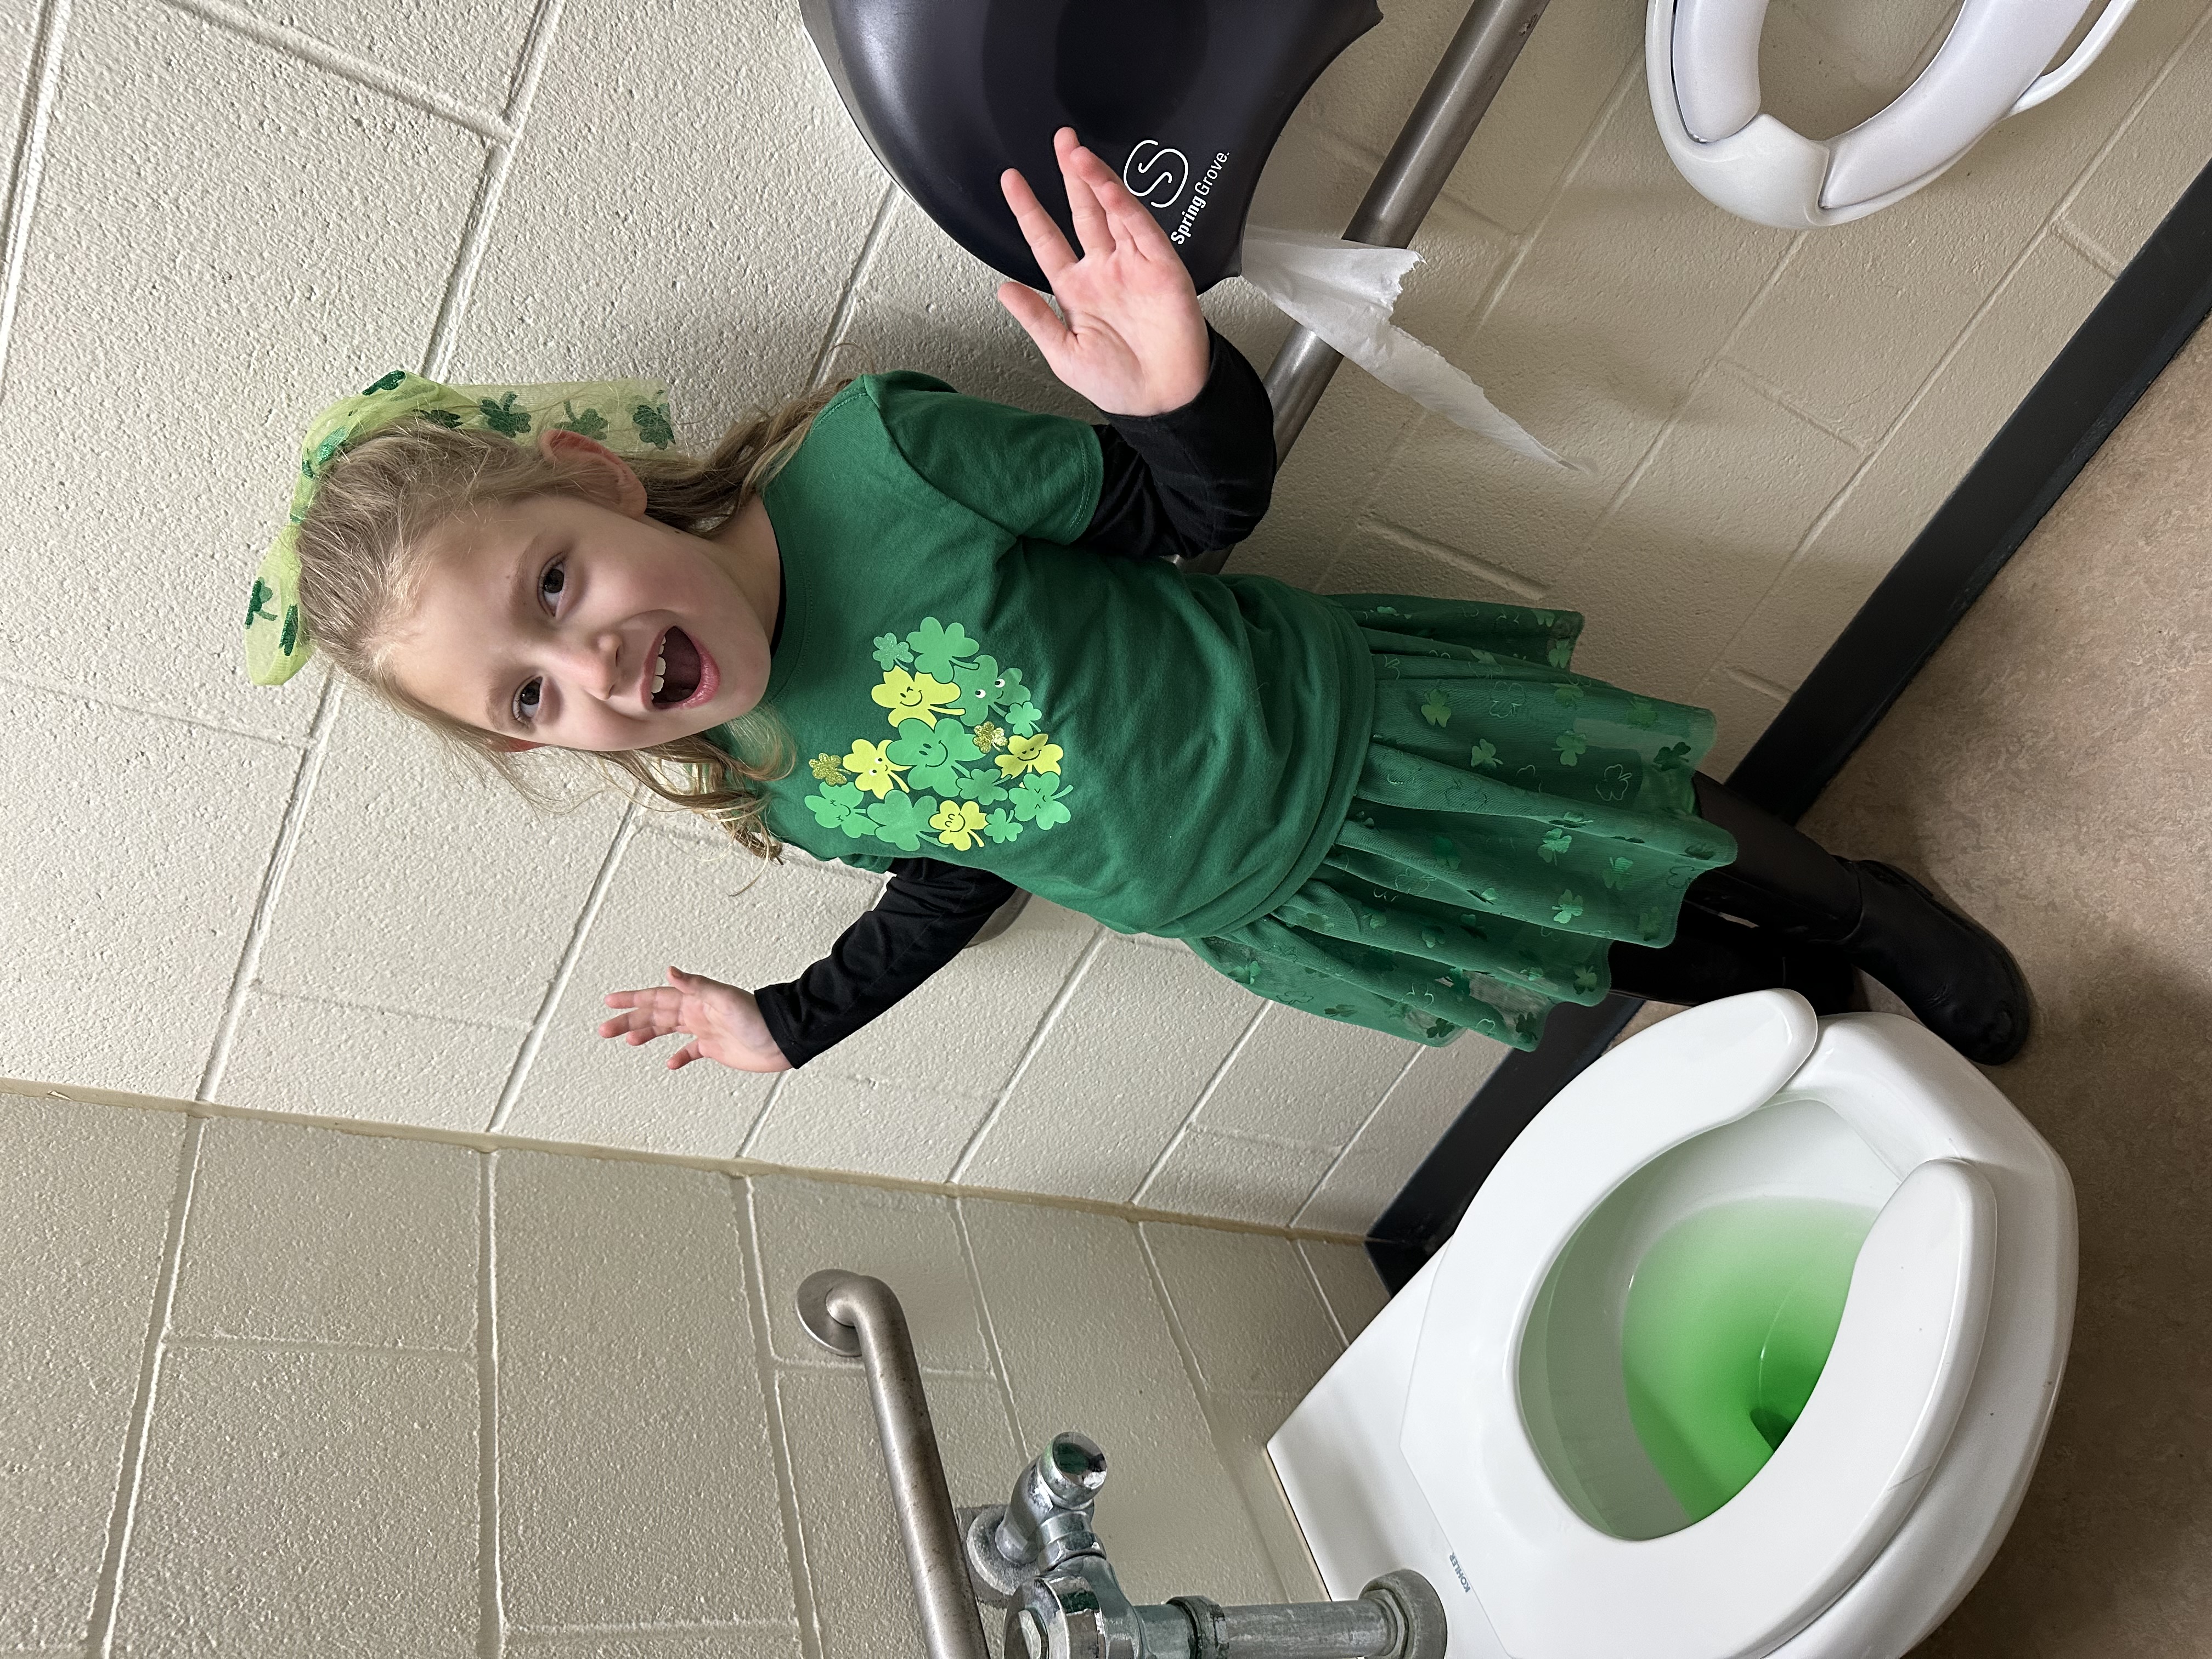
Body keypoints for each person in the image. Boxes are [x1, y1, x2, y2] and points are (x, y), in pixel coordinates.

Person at [246, 129, 2030, 1076]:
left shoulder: (879, 467)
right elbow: (963, 869)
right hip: (1263, 904)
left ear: (602, 473)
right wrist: (792, 1020)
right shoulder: (779, 768)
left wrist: (1178, 384)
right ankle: (1768, 1006)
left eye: (553, 586)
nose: (595, 668)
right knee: (1591, 938)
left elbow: (1195, 516)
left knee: (1655, 831)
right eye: (531, 700)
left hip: (1355, 736)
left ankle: (1863, 914)